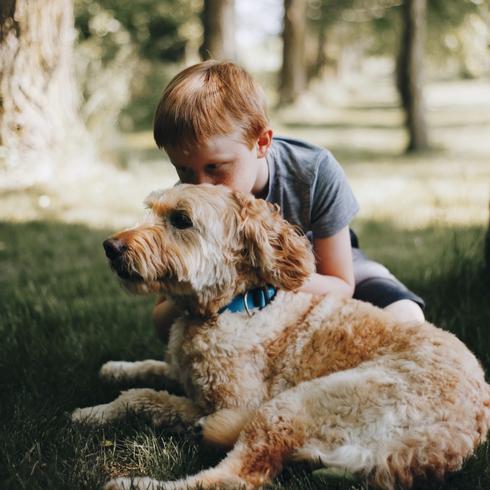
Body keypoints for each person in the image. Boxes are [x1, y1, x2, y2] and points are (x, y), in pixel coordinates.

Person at [151, 60, 425, 342]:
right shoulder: (185, 208)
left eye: (215, 167)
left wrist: (260, 275)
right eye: (183, 170)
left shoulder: (313, 172)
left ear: (262, 143)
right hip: (233, 291)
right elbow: (162, 323)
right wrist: (197, 290)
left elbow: (342, 284)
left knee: (407, 316)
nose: (200, 186)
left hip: (323, 270)